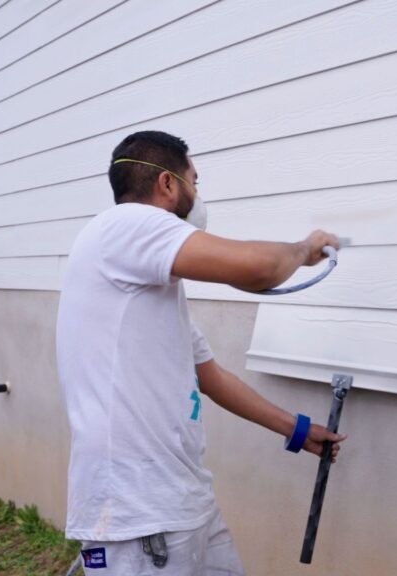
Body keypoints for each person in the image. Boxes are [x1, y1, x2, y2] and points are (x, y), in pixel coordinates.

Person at [56, 130, 346, 575]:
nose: (198, 194)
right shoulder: (126, 224)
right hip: (139, 513)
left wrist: (296, 429)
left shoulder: (151, 292)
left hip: (183, 500)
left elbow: (210, 378)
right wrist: (306, 248)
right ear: (168, 185)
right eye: (195, 180)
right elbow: (258, 268)